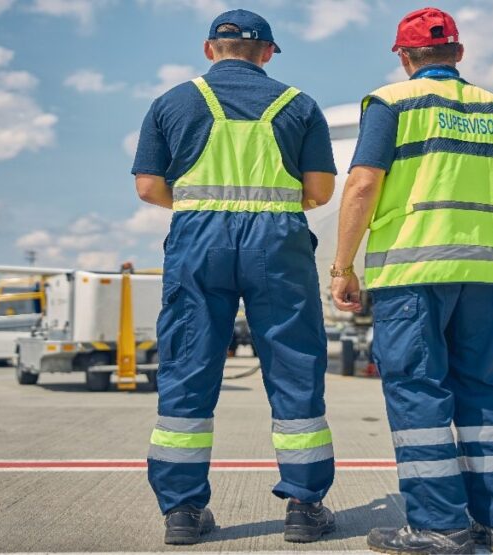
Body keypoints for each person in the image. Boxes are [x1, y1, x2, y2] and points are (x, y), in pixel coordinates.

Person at [329, 7, 493, 553]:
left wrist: (343, 265)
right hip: (485, 274)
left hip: (413, 271)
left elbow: (362, 185)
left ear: (404, 56)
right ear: (459, 55)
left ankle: (438, 524)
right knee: (489, 394)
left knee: (420, 395)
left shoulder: (392, 103)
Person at [132, 9, 338, 545]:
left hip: (199, 242)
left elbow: (149, 188)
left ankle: (182, 511)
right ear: (267, 53)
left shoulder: (172, 102)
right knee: (294, 366)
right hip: (278, 243)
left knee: (188, 365)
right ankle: (303, 505)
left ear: (209, 50)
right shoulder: (299, 104)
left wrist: (205, 208)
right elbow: (320, 191)